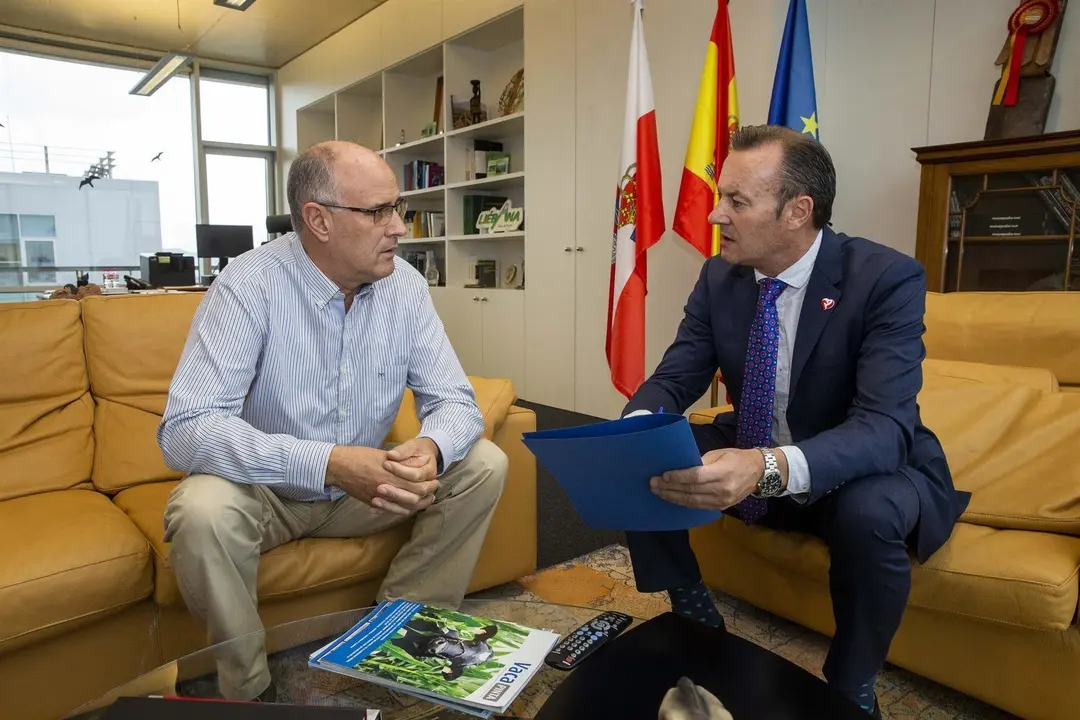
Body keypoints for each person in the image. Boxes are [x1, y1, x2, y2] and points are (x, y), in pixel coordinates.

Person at [622, 125, 969, 718]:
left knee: (869, 511)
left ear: (798, 211)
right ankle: (693, 611)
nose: (714, 216)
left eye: (737, 201)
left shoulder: (885, 279)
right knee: (642, 451)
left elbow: (884, 427)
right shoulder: (719, 276)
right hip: (758, 437)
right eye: (720, 195)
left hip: (859, 462)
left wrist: (765, 467)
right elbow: (677, 375)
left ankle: (852, 682)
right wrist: (633, 423)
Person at [158, 140, 508, 703]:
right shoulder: (247, 287)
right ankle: (247, 692)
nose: (399, 227)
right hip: (264, 493)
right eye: (379, 212)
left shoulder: (407, 289)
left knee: (484, 463)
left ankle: (397, 636)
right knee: (201, 511)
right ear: (317, 219)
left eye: (397, 208)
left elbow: (456, 402)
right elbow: (186, 429)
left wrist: (431, 448)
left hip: (364, 491)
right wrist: (328, 463)